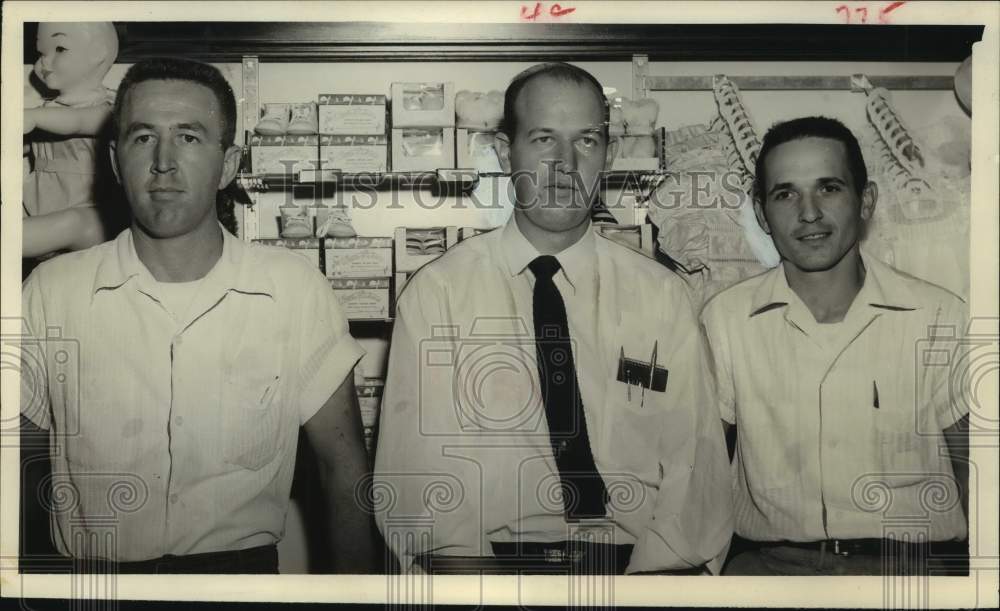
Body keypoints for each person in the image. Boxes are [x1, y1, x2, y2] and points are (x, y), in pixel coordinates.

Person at [20, 57, 379, 574]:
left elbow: (344, 472)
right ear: (116, 161)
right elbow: (15, 472)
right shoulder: (52, 292)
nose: (164, 161)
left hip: (241, 586)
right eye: (143, 138)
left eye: (189, 138)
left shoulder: (293, 290)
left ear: (228, 164)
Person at [373, 62, 732, 575]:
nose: (564, 163)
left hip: (637, 576)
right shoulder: (439, 293)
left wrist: (645, 592)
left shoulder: (662, 296)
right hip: (488, 575)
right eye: (543, 139)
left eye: (586, 140)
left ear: (607, 155)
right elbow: (420, 486)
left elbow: (697, 478)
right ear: (503, 153)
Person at [700, 116, 969, 576]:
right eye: (785, 193)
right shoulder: (726, 319)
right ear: (762, 213)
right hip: (771, 569)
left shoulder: (939, 315)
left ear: (866, 201)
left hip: (906, 572)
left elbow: (976, 471)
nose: (808, 213)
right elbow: (698, 472)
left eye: (828, 188)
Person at [23, 22, 121, 258]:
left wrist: (31, 118)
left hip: (91, 213)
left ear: (97, 53)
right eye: (41, 53)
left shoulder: (107, 109)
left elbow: (76, 121)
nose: (45, 61)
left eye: (59, 49)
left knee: (72, 222)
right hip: (39, 205)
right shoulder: (47, 111)